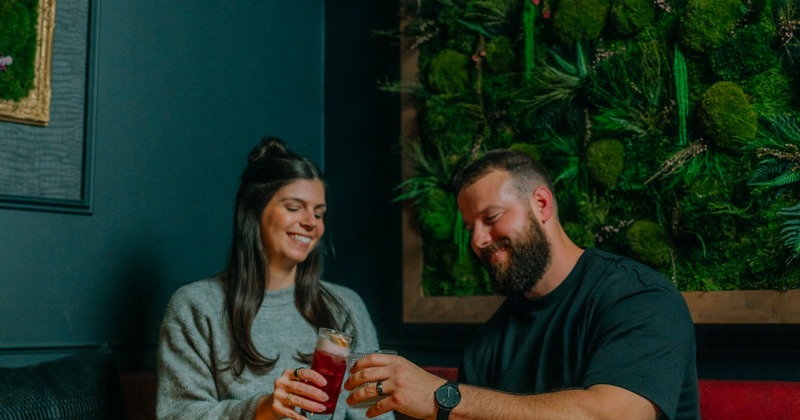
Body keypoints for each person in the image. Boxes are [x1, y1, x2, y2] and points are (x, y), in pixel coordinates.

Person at [345, 149, 699, 419]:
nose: (479, 240)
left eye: (491, 218)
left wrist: (442, 396)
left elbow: (608, 415)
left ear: (541, 204)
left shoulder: (638, 297)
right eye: (470, 227)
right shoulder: (488, 343)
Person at [157, 137, 393, 420]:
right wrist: (262, 409)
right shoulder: (196, 306)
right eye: (294, 208)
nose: (311, 223)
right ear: (253, 212)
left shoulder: (346, 306)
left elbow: (373, 414)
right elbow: (177, 415)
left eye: (319, 213)